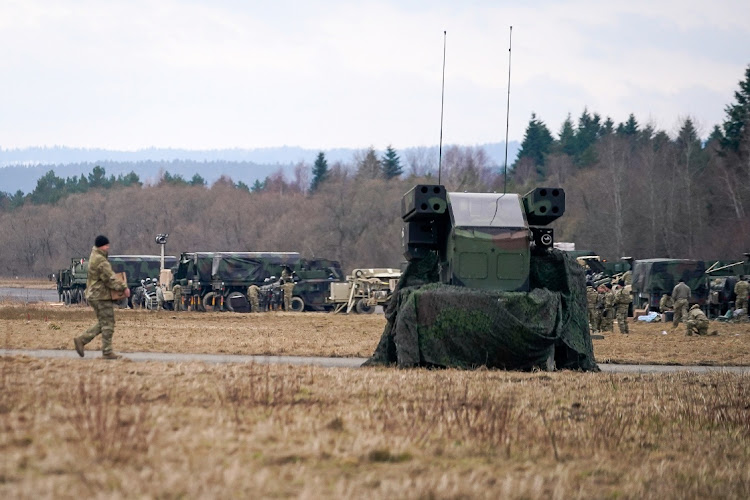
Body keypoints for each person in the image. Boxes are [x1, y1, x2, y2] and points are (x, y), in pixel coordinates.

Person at [73, 235, 130, 360]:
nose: (108, 247)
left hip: (94, 294)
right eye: (106, 245)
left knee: (104, 322)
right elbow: (109, 278)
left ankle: (82, 340)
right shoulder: (101, 260)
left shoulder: (94, 256)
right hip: (100, 296)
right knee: (108, 323)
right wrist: (123, 288)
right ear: (101, 246)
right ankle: (107, 351)